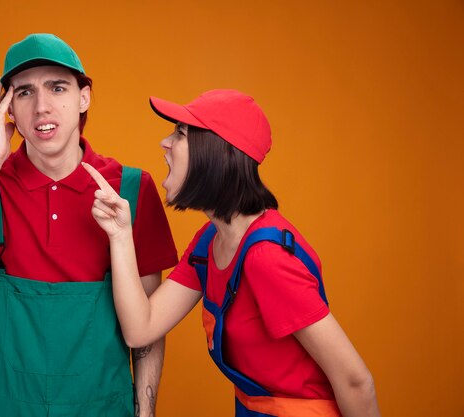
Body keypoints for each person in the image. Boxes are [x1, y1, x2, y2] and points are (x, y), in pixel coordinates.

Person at [0, 33, 178, 417]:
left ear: (84, 97)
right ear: (6, 108)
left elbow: (148, 330)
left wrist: (145, 413)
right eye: (23, 93)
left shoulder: (129, 190)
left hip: (100, 408)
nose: (42, 107)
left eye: (57, 88)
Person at [83, 89, 381, 417]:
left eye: (180, 133)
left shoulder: (267, 257)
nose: (164, 143)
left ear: (218, 154)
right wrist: (120, 234)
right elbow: (142, 328)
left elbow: (356, 382)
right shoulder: (210, 242)